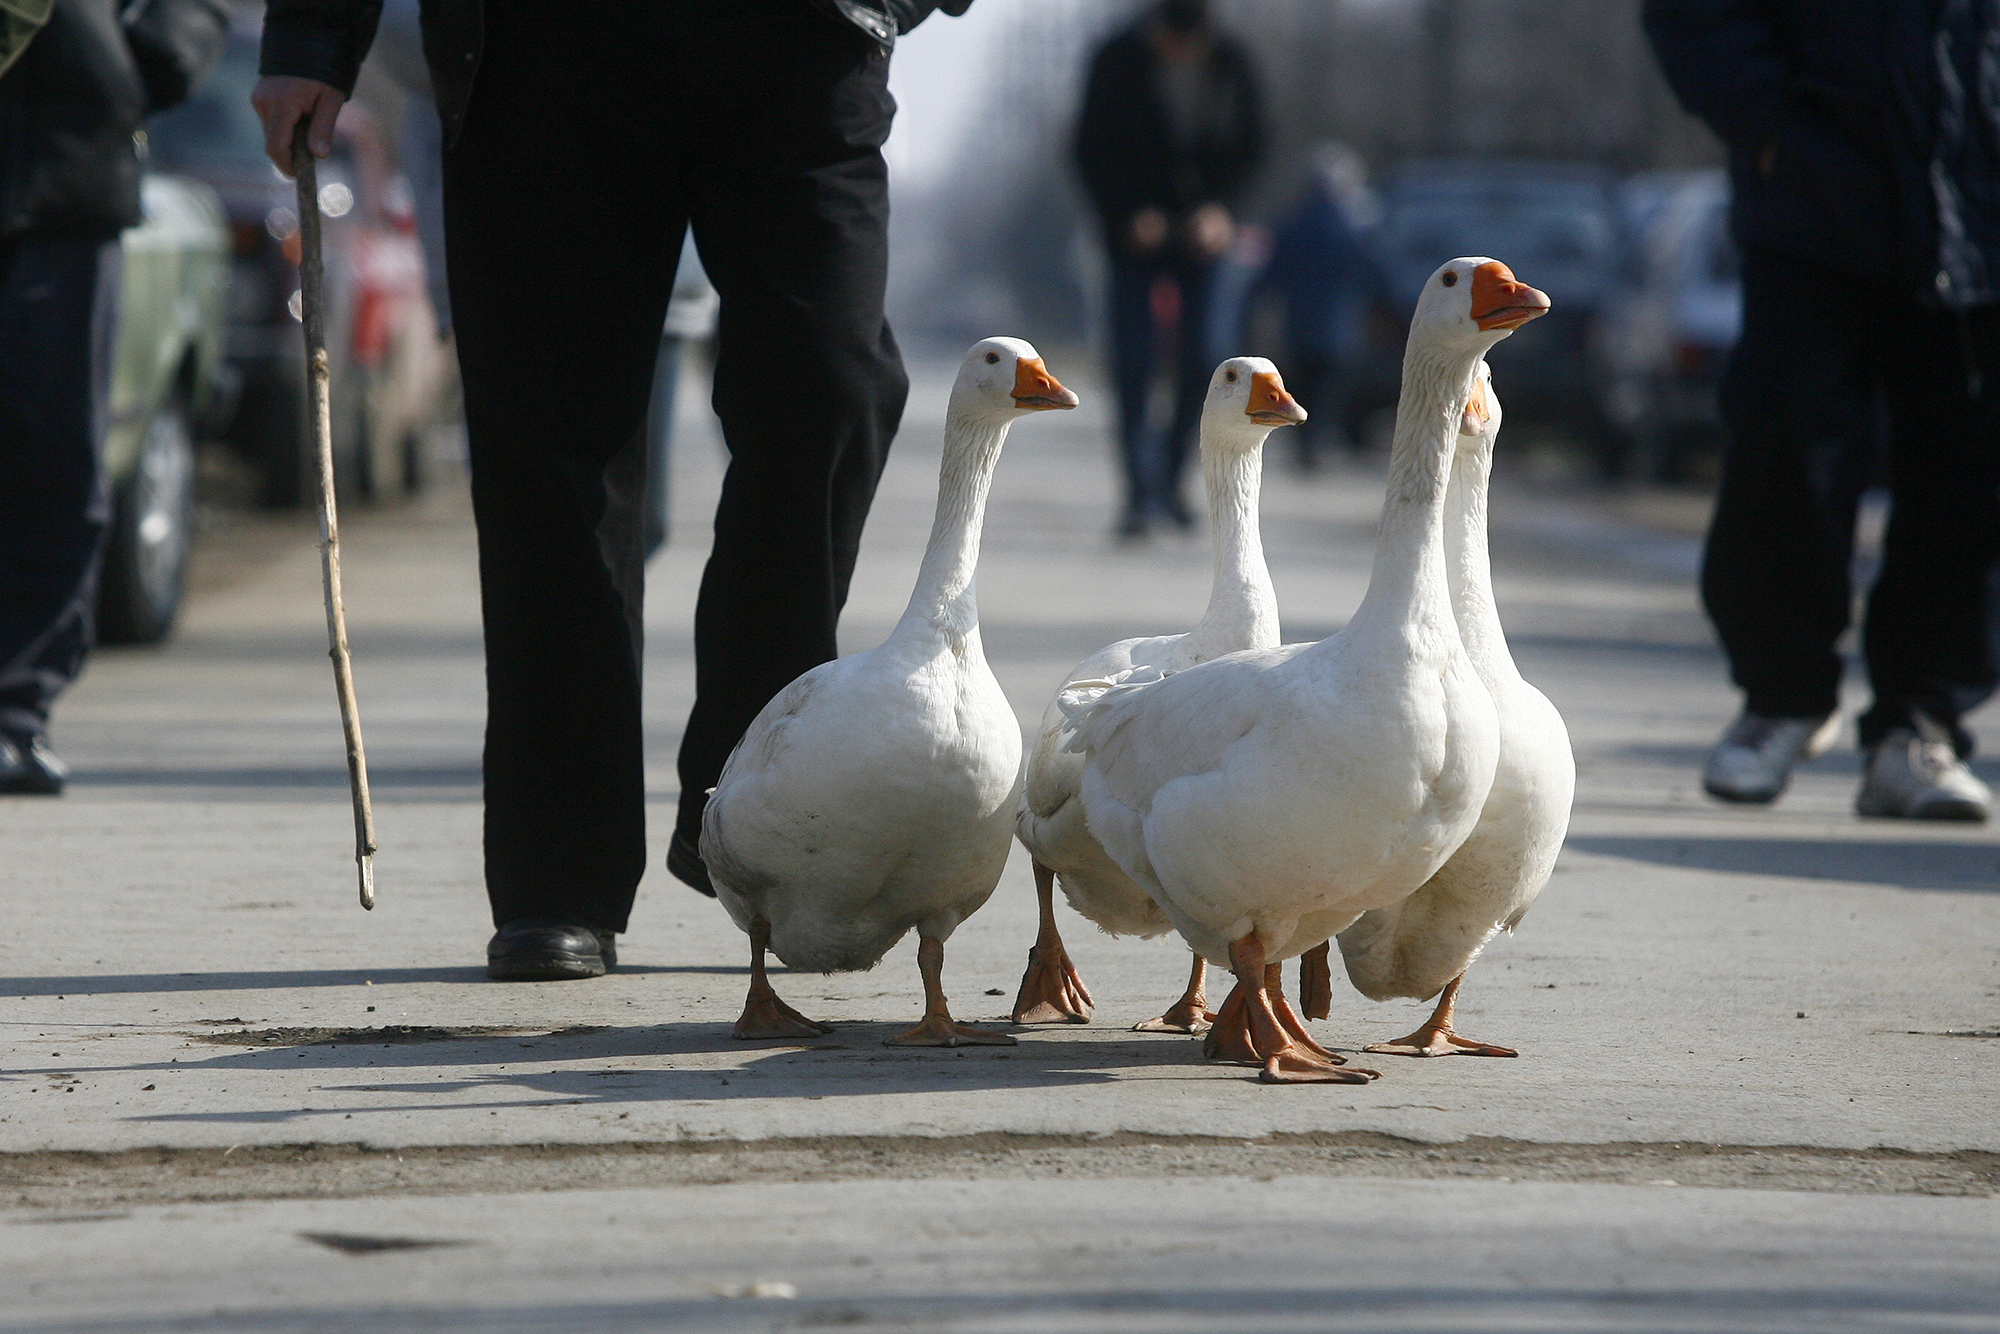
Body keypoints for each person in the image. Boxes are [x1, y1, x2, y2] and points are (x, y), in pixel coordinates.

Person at [253, 0, 970, 981]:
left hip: (801, 38)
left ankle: (745, 798)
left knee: (828, 387)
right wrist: (311, 40)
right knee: (552, 454)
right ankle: (559, 877)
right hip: (544, 46)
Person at [1646, 0, 2000, 821]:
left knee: (1968, 475)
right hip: (1813, 201)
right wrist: (1768, 127)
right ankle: (1783, 698)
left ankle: (1918, 729)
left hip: (1979, 209)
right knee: (1786, 442)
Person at [0, 0, 227, 795]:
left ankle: (13, 716)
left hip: (67, 177)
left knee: (54, 458)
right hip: (67, 163)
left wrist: (135, 64)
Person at [1074, 0, 1265, 538]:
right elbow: (1088, 149)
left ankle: (1174, 481)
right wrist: (1125, 214)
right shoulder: (1114, 59)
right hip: (1134, 237)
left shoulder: (1232, 62)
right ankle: (1137, 493)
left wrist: (1225, 212)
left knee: (1207, 358)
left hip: (1207, 238)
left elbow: (1255, 147)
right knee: (1133, 361)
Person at [1258, 142, 1389, 469]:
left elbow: (1272, 274)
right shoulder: (1356, 225)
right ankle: (1314, 443)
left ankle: (1304, 443)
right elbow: (1373, 271)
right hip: (1340, 324)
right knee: (1329, 385)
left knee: (1303, 382)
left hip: (1299, 321)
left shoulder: (1293, 222)